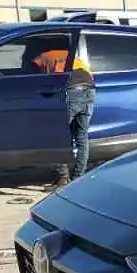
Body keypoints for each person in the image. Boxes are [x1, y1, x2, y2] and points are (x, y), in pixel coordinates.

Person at [50, 39, 94, 186]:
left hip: (71, 91)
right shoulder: (77, 59)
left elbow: (41, 81)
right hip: (90, 90)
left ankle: (62, 178)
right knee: (82, 137)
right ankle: (78, 178)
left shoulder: (47, 56)